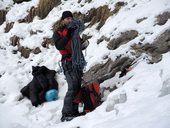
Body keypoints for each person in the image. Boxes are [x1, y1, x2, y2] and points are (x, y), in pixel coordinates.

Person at [52, 11, 86, 122]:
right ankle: (65, 114)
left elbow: (78, 45)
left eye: (71, 18)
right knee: (72, 87)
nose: (69, 20)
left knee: (78, 86)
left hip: (77, 61)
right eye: (67, 19)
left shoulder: (75, 32)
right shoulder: (58, 32)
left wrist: (83, 44)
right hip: (67, 62)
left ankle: (75, 110)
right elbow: (59, 45)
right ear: (62, 20)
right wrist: (68, 35)